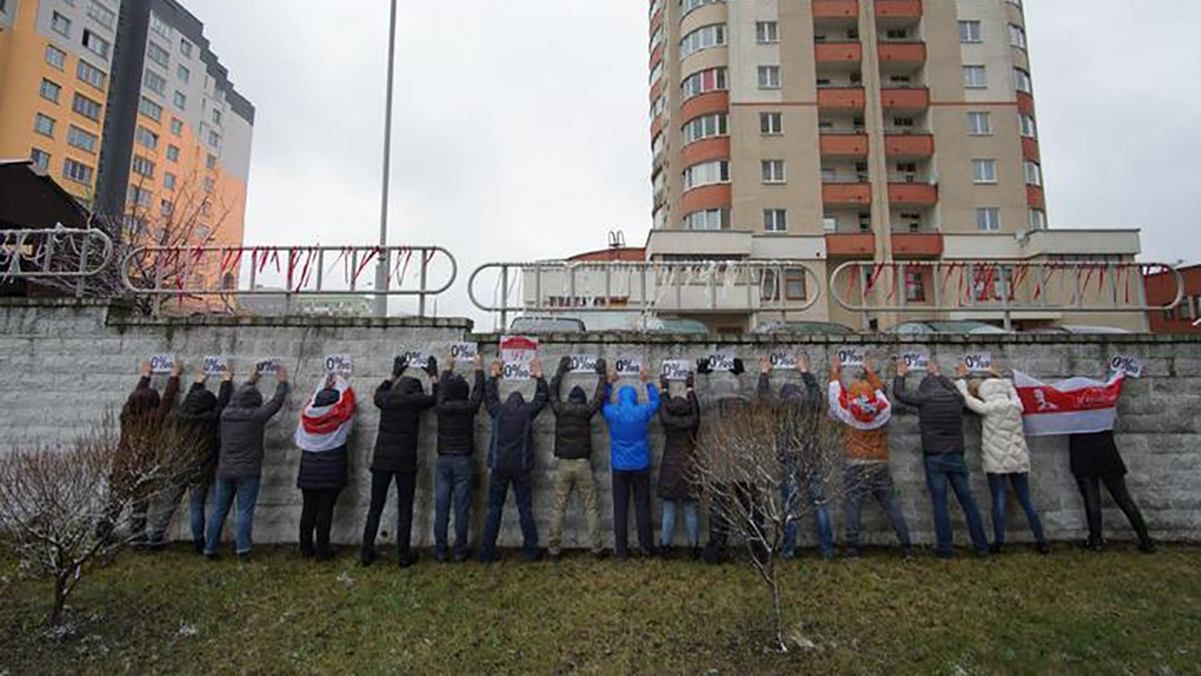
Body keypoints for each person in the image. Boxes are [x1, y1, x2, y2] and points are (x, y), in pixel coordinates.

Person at [894, 359, 989, 558]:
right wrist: (939, 375)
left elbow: (899, 394)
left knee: (939, 503)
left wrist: (900, 375)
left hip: (934, 456)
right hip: (956, 455)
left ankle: (945, 548)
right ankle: (981, 546)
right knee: (968, 501)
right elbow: (958, 390)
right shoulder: (956, 398)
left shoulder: (924, 399)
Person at [955, 363, 1049, 555]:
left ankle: (999, 541)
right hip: (1018, 458)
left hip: (995, 460)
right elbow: (1012, 391)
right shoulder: (1016, 405)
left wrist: (961, 379)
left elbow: (965, 398)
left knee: (998, 500)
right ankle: (1041, 540)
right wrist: (1001, 378)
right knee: (1026, 500)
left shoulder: (987, 407)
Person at [361, 355, 439, 567]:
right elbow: (436, 398)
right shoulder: (414, 402)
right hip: (405, 463)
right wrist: (433, 375)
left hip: (381, 462)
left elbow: (378, 393)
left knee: (375, 507)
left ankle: (366, 552)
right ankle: (403, 555)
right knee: (405, 508)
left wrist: (394, 374)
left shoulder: (386, 399)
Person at [205, 364, 289, 560]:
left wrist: (251, 380)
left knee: (219, 510)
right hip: (248, 471)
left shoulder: (226, 414)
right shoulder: (257, 416)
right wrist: (282, 382)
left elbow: (236, 398)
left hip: (224, 470)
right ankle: (242, 549)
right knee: (244, 511)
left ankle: (210, 548)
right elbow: (275, 403)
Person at [146, 365, 234, 553]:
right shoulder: (210, 420)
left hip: (177, 466)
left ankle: (155, 537)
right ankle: (198, 542)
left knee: (169, 503)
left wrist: (197, 383)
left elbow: (188, 403)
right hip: (200, 469)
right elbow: (221, 405)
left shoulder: (179, 417)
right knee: (197, 506)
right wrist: (226, 382)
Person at [828, 360, 911, 557]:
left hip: (855, 463)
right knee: (891, 505)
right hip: (878, 463)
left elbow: (834, 396)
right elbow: (881, 393)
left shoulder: (847, 413)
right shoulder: (882, 411)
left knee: (853, 506)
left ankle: (852, 548)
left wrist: (835, 372)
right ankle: (906, 545)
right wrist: (871, 374)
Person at [758, 355, 832, 560]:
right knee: (819, 503)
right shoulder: (810, 404)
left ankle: (789, 549)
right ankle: (827, 549)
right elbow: (816, 392)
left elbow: (763, 396)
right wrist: (805, 371)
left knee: (791, 506)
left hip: (790, 459)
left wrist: (764, 373)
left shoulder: (781, 408)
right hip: (812, 458)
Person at [1069, 373, 1154, 552]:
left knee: (1092, 500)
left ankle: (1096, 541)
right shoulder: (1104, 406)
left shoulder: (1073, 413)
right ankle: (1145, 540)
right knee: (1123, 498)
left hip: (1083, 457)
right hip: (1107, 455)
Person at [101, 360, 182, 545]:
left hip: (121, 464)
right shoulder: (153, 419)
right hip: (142, 466)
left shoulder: (126, 415)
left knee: (115, 503)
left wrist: (145, 376)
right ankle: (137, 536)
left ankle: (102, 532)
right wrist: (174, 376)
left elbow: (135, 399)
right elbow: (167, 401)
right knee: (140, 504)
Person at [479, 358, 549, 563]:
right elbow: (541, 398)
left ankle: (486, 551)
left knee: (494, 508)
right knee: (525, 508)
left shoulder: (498, 412)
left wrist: (493, 376)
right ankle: (531, 550)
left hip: (499, 465)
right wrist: (539, 376)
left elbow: (489, 397)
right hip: (521, 466)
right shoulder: (526, 413)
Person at [546, 356, 608, 561]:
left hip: (563, 463)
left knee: (558, 507)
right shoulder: (585, 411)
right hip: (582, 464)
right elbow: (599, 397)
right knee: (591, 506)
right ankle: (597, 547)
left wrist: (560, 369)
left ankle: (553, 548)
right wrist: (602, 373)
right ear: (582, 400)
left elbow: (552, 392)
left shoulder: (560, 410)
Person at [293, 373, 356, 561]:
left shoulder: (306, 418)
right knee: (325, 511)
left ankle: (305, 548)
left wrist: (323, 386)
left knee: (308, 510)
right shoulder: (341, 419)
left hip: (308, 471)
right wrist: (341, 383)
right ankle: (322, 551)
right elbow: (349, 407)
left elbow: (309, 404)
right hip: (331, 470)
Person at [602, 364, 660, 559]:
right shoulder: (641, 412)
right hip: (641, 466)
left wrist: (609, 384)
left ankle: (621, 551)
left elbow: (601, 403)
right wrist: (648, 382)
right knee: (642, 507)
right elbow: (656, 403)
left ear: (620, 398)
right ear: (635, 398)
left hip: (619, 467)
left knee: (620, 509)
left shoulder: (613, 412)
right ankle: (646, 549)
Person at [433, 354, 485, 562]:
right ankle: (460, 551)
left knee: (441, 508)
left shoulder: (441, 408)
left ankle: (440, 550)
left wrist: (447, 368)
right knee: (461, 508)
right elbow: (478, 393)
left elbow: (440, 392)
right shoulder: (468, 408)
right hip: (463, 460)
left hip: (444, 460)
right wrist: (479, 368)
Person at [657, 369, 701, 559]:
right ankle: (694, 548)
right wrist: (690, 389)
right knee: (690, 509)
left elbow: (663, 410)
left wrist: (664, 390)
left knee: (669, 509)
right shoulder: (693, 422)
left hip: (670, 467)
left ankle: (665, 547)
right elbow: (696, 410)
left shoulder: (668, 422)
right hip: (690, 466)